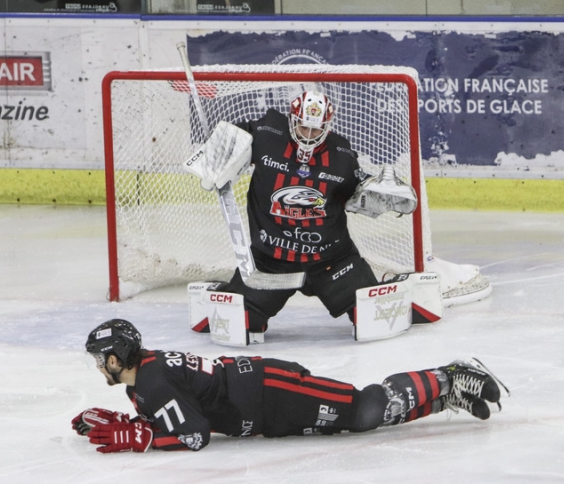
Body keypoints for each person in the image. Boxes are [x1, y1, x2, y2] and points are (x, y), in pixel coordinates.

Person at [72, 319, 504, 452]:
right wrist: (139, 423)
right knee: (360, 421)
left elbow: (196, 434)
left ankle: (449, 373)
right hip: (263, 406)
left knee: (361, 410)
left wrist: (141, 436)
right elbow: (179, 412)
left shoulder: (150, 380)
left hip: (269, 391)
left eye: (99, 359)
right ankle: (447, 394)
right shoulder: (142, 381)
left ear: (114, 359)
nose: (97, 367)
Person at [187, 90, 417, 336]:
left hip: (331, 260)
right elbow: (231, 136)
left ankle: (394, 286)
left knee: (374, 321)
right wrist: (216, 155)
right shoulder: (267, 134)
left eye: (316, 130)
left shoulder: (341, 155)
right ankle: (224, 291)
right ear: (292, 119)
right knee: (237, 327)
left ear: (327, 127)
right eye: (303, 127)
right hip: (270, 263)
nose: (308, 136)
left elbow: (356, 195)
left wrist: (380, 194)